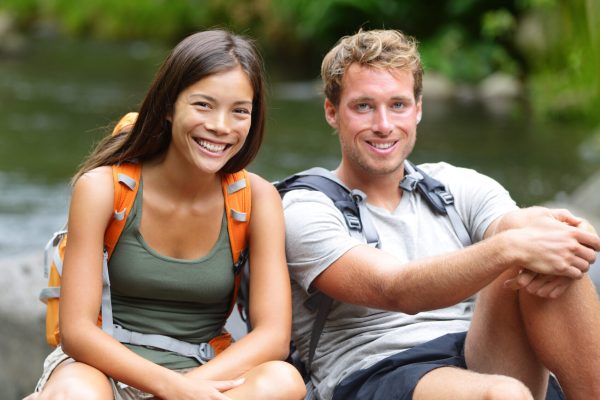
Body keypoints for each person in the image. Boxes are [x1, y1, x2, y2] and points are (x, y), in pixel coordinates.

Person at [281, 29, 600, 400]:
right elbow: (395, 289)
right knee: (503, 392)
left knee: (549, 253)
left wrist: (570, 233)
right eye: (364, 106)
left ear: (418, 109)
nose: (384, 125)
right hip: (377, 371)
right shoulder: (304, 208)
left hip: (474, 351)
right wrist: (509, 247)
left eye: (398, 105)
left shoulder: (454, 184)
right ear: (332, 112)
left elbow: (519, 227)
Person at [27, 29, 305, 400]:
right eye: (203, 105)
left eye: (240, 111)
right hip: (102, 370)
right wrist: (169, 389)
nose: (221, 126)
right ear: (169, 107)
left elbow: (272, 337)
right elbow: (77, 331)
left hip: (205, 373)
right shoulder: (103, 190)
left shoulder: (258, 199)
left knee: (283, 380)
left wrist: (189, 388)